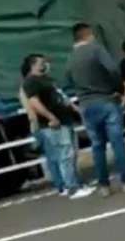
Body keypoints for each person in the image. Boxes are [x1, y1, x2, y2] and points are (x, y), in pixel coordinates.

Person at [66, 23, 125, 197]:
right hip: (106, 100)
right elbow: (113, 69)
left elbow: (69, 80)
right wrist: (118, 89)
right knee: (117, 142)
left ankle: (104, 186)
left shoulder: (70, 58)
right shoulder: (96, 49)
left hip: (86, 105)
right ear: (87, 35)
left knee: (97, 146)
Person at [21, 54, 94, 200]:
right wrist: (50, 117)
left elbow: (61, 97)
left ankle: (77, 183)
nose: (45, 65)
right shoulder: (31, 82)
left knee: (72, 153)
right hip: (53, 124)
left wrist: (75, 108)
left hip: (65, 120)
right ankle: (72, 188)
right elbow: (34, 103)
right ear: (33, 65)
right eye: (41, 62)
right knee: (64, 155)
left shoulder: (48, 80)